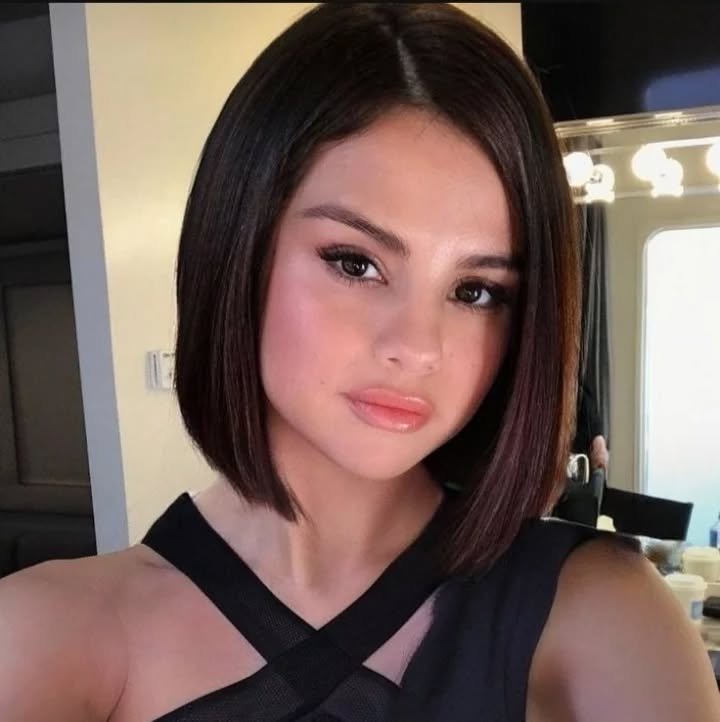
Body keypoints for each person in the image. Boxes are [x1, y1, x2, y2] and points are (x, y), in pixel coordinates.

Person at [1, 4, 718, 721]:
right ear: (238, 247)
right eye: (355, 263)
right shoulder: (48, 634)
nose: (419, 346)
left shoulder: (602, 619)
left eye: (476, 291)